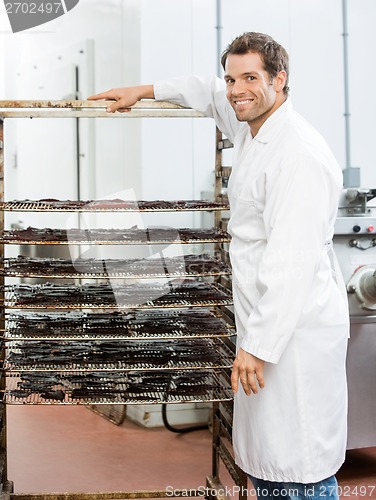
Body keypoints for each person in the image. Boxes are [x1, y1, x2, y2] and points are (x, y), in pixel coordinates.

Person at [89, 32, 349, 500]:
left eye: (250, 78)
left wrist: (258, 346)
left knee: (298, 467)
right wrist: (143, 91)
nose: (236, 89)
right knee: (273, 462)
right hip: (264, 323)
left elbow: (292, 265)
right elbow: (206, 91)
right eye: (233, 78)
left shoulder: (298, 155)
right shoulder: (254, 124)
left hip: (292, 334)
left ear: (280, 79)